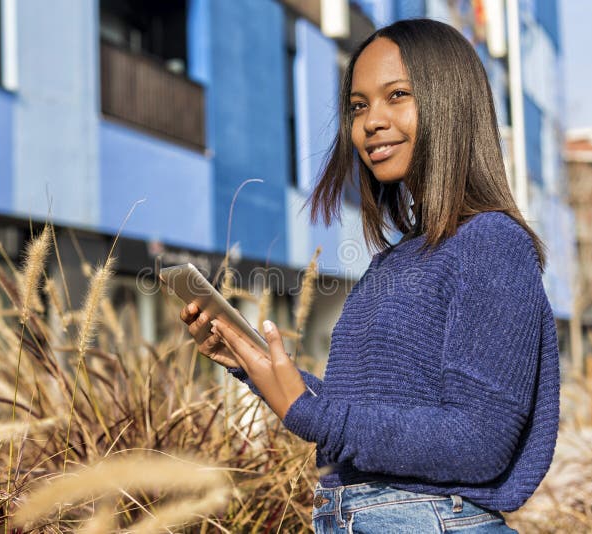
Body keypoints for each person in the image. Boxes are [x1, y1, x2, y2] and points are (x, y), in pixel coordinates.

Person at [180, 18, 559, 533]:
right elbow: (358, 415)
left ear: (451, 103)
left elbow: (478, 441)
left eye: (396, 95)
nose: (370, 121)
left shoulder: (492, 243)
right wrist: (250, 362)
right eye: (358, 106)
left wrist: (309, 412)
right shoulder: (397, 259)